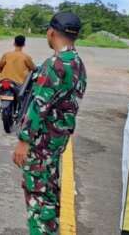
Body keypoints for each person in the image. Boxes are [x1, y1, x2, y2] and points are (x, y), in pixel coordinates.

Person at [12, 12, 87, 235]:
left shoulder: (55, 64)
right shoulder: (77, 63)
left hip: (41, 144)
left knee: (38, 201)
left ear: (51, 32)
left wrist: (24, 141)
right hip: (56, 143)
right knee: (49, 197)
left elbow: (39, 105)